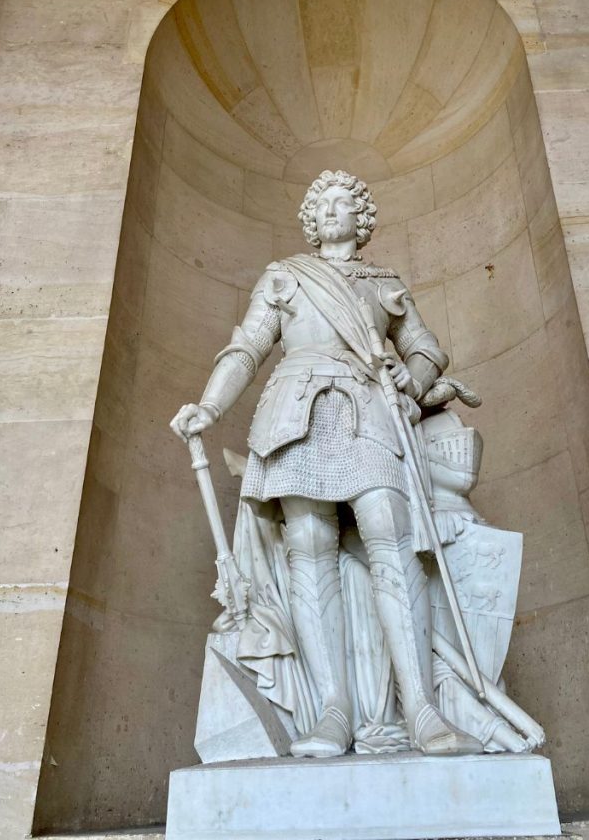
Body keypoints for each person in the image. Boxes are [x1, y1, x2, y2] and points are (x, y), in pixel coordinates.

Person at [170, 169, 483, 758]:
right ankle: (332, 710)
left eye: (345, 203)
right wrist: (210, 406)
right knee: (308, 543)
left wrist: (410, 380)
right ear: (311, 219)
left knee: (390, 535)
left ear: (361, 218)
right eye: (324, 204)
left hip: (368, 409)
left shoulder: (385, 282)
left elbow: (426, 348)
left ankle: (420, 709)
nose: (334, 210)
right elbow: (248, 348)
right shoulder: (285, 277)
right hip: (295, 414)